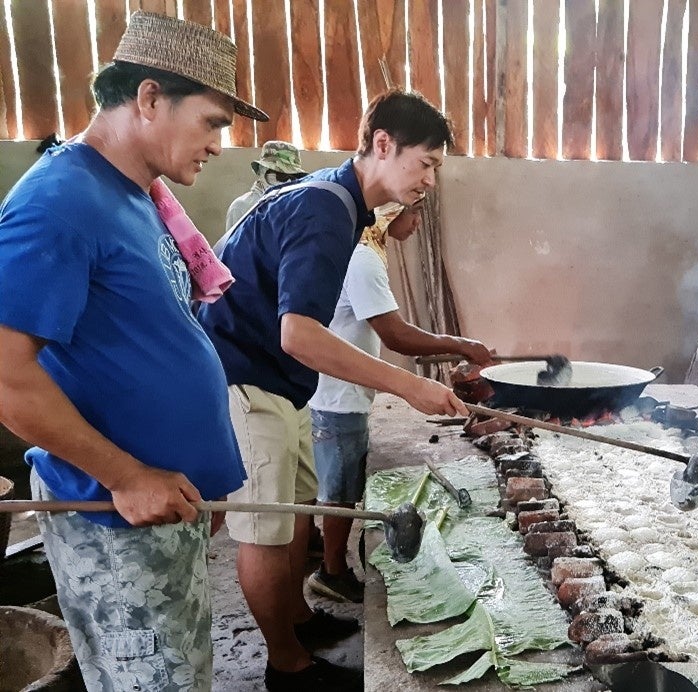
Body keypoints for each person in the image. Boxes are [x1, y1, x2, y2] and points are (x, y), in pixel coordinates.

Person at [0, 11, 266, 691]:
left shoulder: (132, 194)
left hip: (155, 510)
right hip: (114, 520)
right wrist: (124, 475)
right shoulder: (58, 202)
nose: (216, 145)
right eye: (212, 122)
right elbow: (5, 373)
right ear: (150, 97)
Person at [196, 89, 469, 691]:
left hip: (279, 384)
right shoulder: (325, 208)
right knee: (265, 529)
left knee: (295, 515)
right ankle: (286, 666)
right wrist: (407, 386)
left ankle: (297, 619)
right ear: (382, 145)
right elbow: (298, 334)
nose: (429, 179)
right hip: (245, 377)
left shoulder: (344, 206)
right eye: (425, 163)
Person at [307, 200, 493, 603]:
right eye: (413, 213)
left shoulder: (365, 251)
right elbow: (395, 336)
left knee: (343, 484)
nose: (417, 222)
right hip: (337, 395)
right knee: (338, 491)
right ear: (390, 214)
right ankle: (331, 571)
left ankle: (330, 560)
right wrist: (459, 344)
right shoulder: (362, 260)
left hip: (343, 391)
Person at [225, 140, 307, 231]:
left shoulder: (299, 209)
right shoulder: (241, 208)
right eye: (278, 176)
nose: (287, 182)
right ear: (261, 171)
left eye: (293, 177)